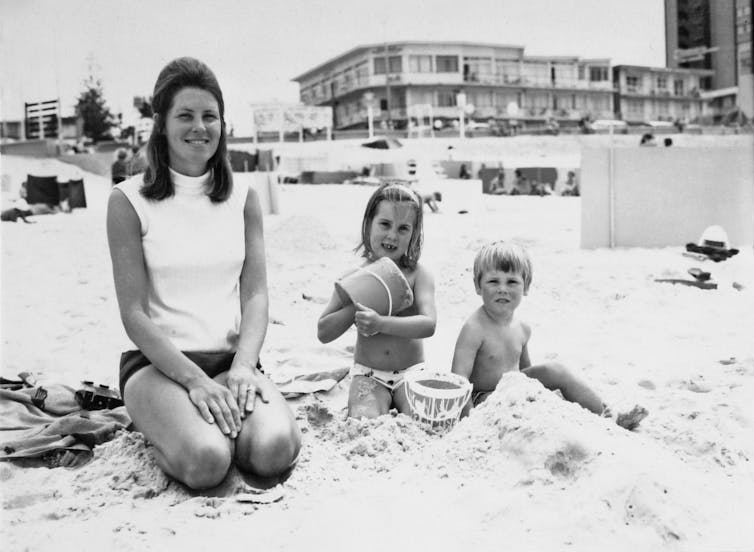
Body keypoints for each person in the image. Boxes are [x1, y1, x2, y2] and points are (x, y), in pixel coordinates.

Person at [106, 57, 301, 490]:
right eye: (186, 115)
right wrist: (194, 382)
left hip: (232, 362)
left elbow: (255, 296)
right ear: (160, 123)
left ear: (222, 123)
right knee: (208, 461)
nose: (200, 127)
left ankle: (210, 420)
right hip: (159, 367)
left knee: (273, 451)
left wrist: (245, 367)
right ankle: (163, 425)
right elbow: (134, 313)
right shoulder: (128, 201)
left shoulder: (244, 198)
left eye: (209, 116)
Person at [451, 241, 648, 430]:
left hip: (514, 392)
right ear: (478, 286)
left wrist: (540, 392)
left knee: (555, 370)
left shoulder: (522, 328)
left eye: (512, 282)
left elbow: (527, 374)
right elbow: (459, 379)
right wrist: (469, 422)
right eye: (493, 281)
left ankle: (605, 412)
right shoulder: (474, 328)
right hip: (485, 399)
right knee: (526, 395)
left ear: (526, 287)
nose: (502, 288)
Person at [317, 183, 437, 419]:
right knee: (363, 421)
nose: (392, 235)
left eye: (403, 228)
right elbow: (324, 331)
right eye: (385, 224)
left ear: (414, 234)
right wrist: (358, 302)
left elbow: (428, 324)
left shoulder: (418, 275)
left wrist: (381, 323)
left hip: (411, 372)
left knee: (424, 419)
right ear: (368, 223)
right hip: (369, 375)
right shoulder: (354, 277)